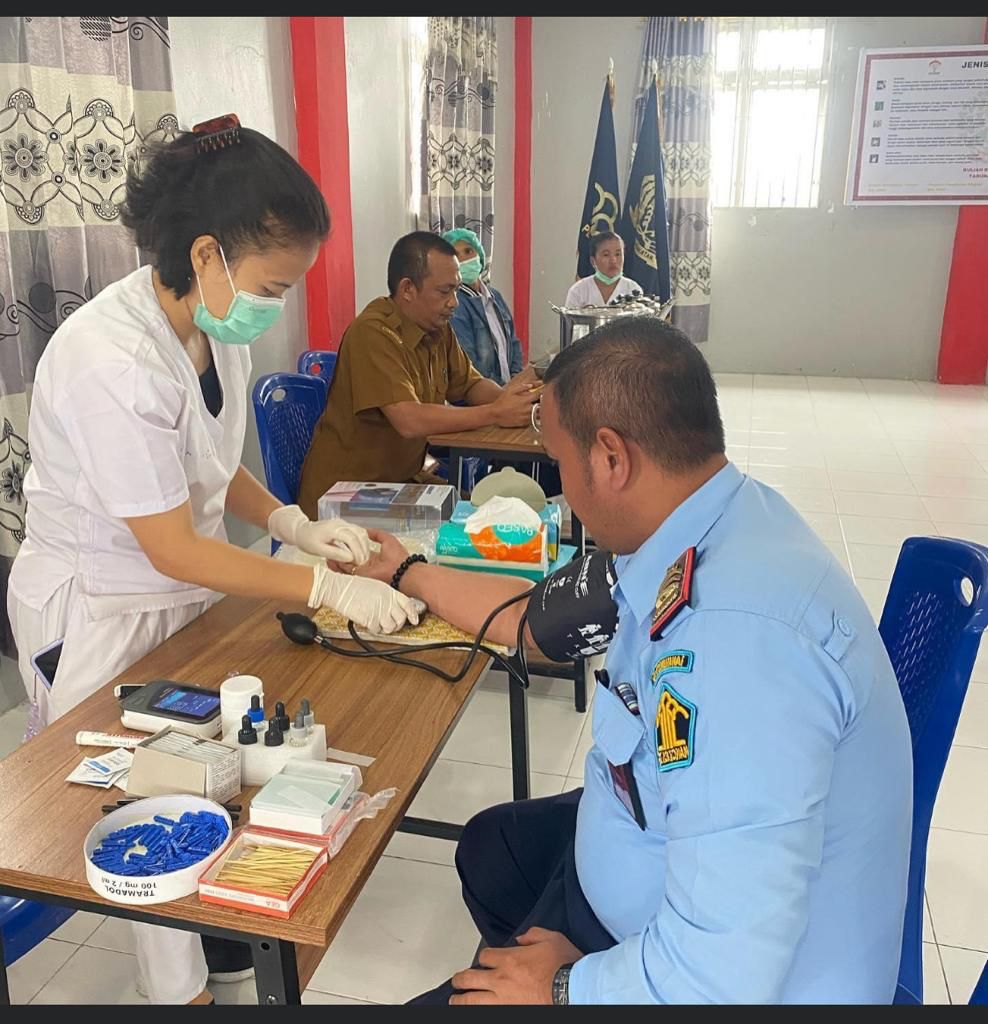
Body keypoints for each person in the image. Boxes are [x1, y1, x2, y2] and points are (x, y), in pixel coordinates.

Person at [352, 317, 913, 1004]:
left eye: (559, 463)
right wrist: (406, 570)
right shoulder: (705, 519)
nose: (561, 490)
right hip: (650, 866)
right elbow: (536, 620)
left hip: (720, 977)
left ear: (612, 459)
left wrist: (568, 985)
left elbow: (722, 978)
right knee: (494, 849)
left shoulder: (736, 650)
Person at [6, 115, 422, 1006]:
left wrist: (288, 518)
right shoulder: (110, 360)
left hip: (178, 594)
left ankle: (224, 944)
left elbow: (205, 461)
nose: (279, 302)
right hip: (101, 616)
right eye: (274, 283)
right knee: (136, 802)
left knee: (205, 768)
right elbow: (171, 544)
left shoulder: (207, 329)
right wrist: (321, 580)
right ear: (206, 256)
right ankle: (179, 992)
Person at [297, 232, 539, 518]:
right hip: (349, 496)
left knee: (491, 512)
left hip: (401, 483)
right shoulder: (373, 332)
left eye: (456, 291)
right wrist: (497, 413)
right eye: (444, 291)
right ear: (408, 289)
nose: (454, 303)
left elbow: (470, 384)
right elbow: (409, 420)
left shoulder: (437, 328)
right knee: (472, 528)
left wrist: (517, 403)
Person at [442, 227, 523, 386]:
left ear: (479, 254)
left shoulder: (495, 297)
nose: (464, 259)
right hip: (480, 397)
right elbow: (467, 359)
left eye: (468, 251)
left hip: (507, 390)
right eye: (456, 255)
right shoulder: (455, 304)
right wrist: (499, 390)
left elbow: (513, 341)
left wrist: (516, 379)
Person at [565, 231, 642, 308]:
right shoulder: (578, 290)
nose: (613, 260)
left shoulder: (633, 289)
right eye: (606, 255)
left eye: (618, 254)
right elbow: (569, 319)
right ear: (593, 261)